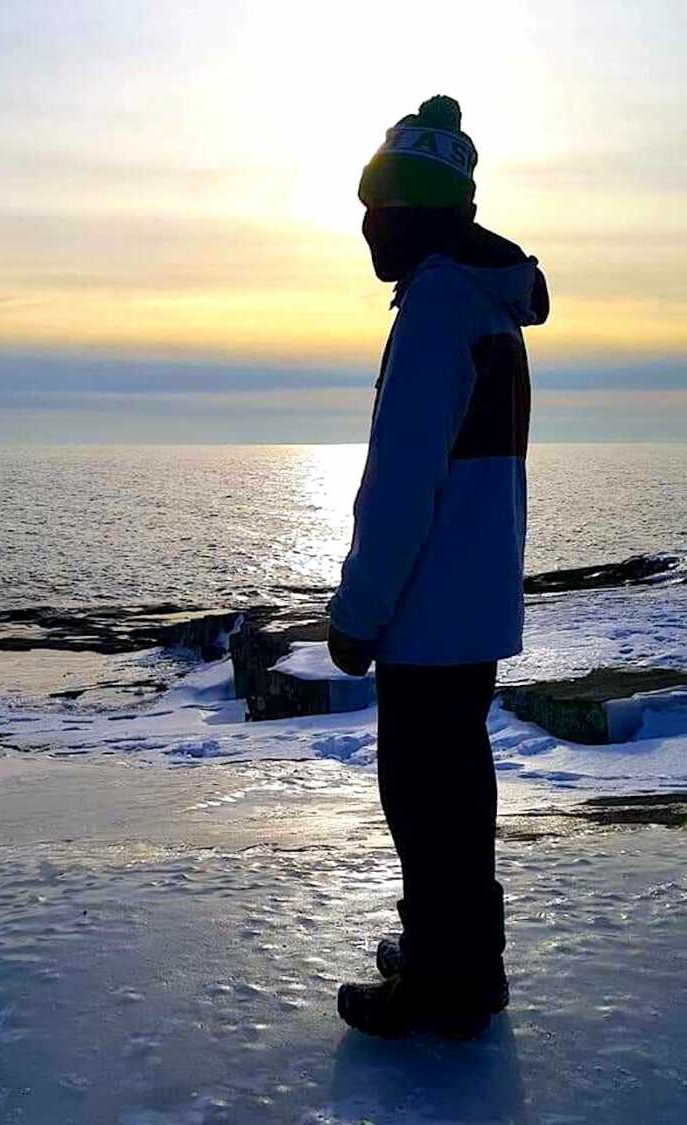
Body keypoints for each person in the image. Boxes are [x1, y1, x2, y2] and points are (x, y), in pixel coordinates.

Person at [328, 94, 549, 1039]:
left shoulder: (434, 311)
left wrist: (358, 612)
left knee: (427, 803)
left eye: (380, 208)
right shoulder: (483, 307)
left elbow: (402, 484)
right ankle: (453, 956)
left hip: (427, 612)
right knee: (456, 792)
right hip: (474, 602)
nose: (366, 226)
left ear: (419, 214)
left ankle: (450, 982)